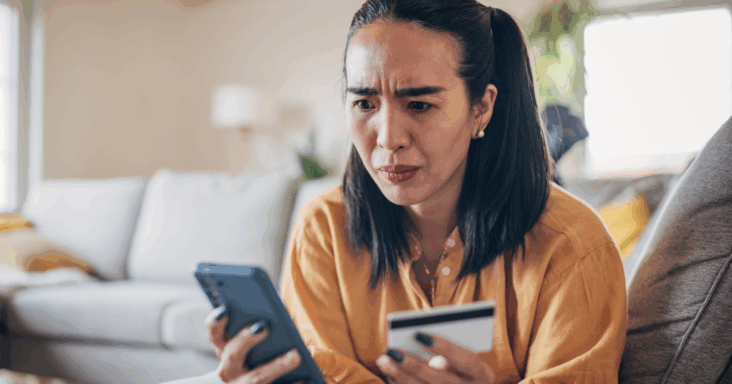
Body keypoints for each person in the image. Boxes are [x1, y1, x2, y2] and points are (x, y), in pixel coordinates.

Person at [205, 0, 627, 383]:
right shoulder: (324, 230)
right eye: (365, 104)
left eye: (419, 105)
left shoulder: (572, 247)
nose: (388, 139)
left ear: (481, 108)